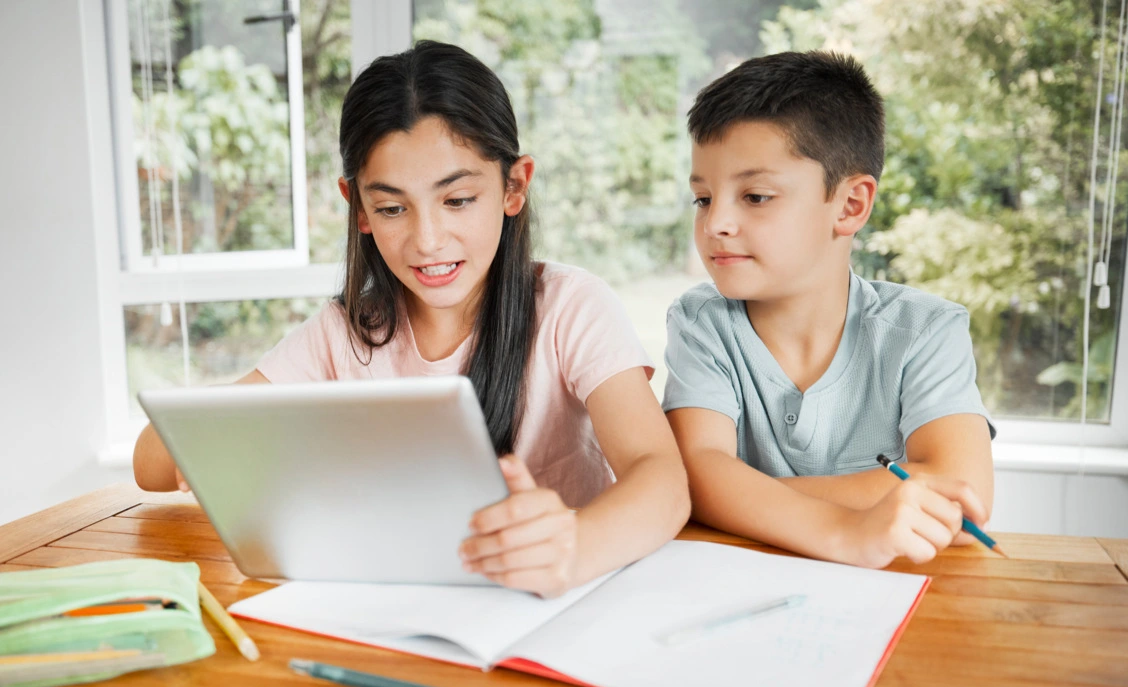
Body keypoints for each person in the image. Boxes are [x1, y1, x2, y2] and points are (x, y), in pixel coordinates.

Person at [134, 40, 689, 597]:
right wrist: (213, 444)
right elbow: (148, 464)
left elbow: (662, 478)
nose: (427, 241)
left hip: (555, 605)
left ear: (513, 186)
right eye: (393, 208)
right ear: (359, 209)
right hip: (394, 607)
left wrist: (574, 546)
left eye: (458, 200)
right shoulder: (347, 333)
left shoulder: (572, 307)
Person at [663, 50, 995, 569]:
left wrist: (740, 492)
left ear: (850, 205)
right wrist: (850, 527)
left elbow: (960, 491)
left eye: (755, 196)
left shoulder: (926, 330)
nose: (715, 224)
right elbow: (694, 476)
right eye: (703, 199)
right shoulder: (702, 322)